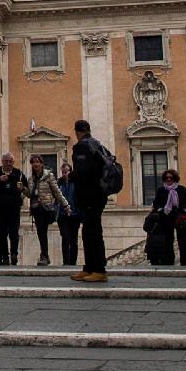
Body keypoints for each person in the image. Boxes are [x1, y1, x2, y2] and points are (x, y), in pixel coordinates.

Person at [68, 119, 112, 282]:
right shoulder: (98, 145)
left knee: (92, 232)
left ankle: (98, 270)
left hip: (89, 195)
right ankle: (89, 268)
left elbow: (84, 172)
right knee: (89, 231)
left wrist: (70, 176)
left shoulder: (81, 146)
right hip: (99, 194)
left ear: (77, 132)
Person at [26, 156, 70, 266]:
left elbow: (56, 191)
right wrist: (23, 189)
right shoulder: (31, 179)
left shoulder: (48, 176)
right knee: (41, 233)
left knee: (42, 231)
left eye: (37, 162)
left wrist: (65, 204)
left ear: (41, 164)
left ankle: (44, 255)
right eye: (33, 162)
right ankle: (44, 255)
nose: (35, 164)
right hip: (36, 209)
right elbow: (30, 194)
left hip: (46, 208)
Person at [147, 168, 186, 266]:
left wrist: (185, 209)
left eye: (170, 178)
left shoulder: (182, 190)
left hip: (180, 217)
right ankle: (169, 261)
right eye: (166, 178)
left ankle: (184, 261)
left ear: (175, 179)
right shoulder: (161, 190)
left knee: (182, 240)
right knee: (168, 240)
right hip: (166, 217)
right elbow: (156, 203)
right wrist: (161, 210)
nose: (168, 180)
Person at [0, 152, 27, 266]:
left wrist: (22, 189)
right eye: (6, 161)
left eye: (10, 161)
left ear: (13, 162)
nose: (8, 164)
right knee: (1, 233)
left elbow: (26, 189)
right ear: (2, 162)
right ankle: (5, 256)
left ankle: (14, 254)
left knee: (14, 233)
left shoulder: (18, 174)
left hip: (14, 209)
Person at [56, 162, 81, 267]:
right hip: (62, 215)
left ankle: (73, 261)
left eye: (67, 172)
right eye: (63, 172)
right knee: (65, 237)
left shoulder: (76, 183)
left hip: (75, 214)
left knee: (73, 239)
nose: (65, 174)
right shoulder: (59, 184)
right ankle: (66, 261)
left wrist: (76, 211)